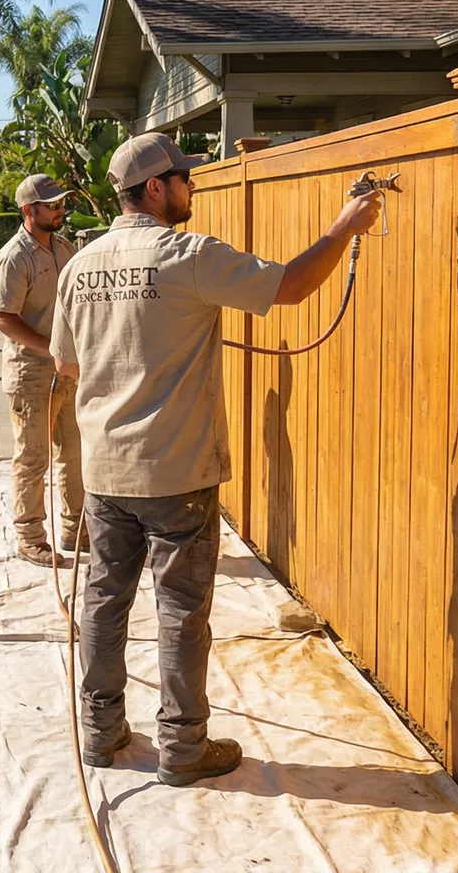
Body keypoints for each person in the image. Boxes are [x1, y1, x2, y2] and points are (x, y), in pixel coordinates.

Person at [48, 133, 382, 786]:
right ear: (154, 188)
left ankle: (100, 731)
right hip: (178, 472)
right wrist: (348, 223)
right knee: (179, 609)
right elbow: (288, 287)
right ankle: (182, 749)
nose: (192, 185)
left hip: (107, 472)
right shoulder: (188, 256)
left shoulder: (79, 265)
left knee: (103, 601)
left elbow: (66, 362)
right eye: (183, 176)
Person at [0, 173, 84, 566]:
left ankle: (76, 530)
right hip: (31, 373)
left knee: (74, 452)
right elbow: (3, 317)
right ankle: (30, 537)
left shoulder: (63, 247)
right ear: (29, 210)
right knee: (33, 456)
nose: (61, 210)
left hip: (66, 369)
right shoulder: (14, 257)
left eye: (62, 203)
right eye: (53, 205)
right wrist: (52, 349)